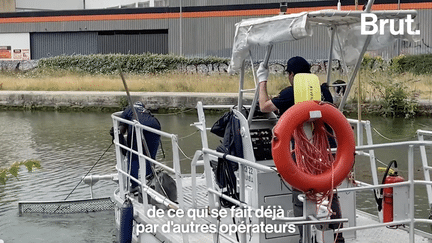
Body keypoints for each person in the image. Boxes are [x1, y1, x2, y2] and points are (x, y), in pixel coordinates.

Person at [257, 56, 344, 243]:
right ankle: (337, 236)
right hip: (328, 152)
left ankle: (305, 238)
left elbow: (264, 106)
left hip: (303, 154)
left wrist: (262, 81)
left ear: (291, 74)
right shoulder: (324, 92)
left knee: (301, 194)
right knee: (329, 192)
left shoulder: (291, 92)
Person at [119, 101, 161, 193]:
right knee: (150, 156)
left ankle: (134, 185)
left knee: (133, 157)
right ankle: (150, 180)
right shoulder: (146, 111)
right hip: (155, 127)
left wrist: (117, 133)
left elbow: (121, 129)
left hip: (138, 128)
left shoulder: (128, 110)